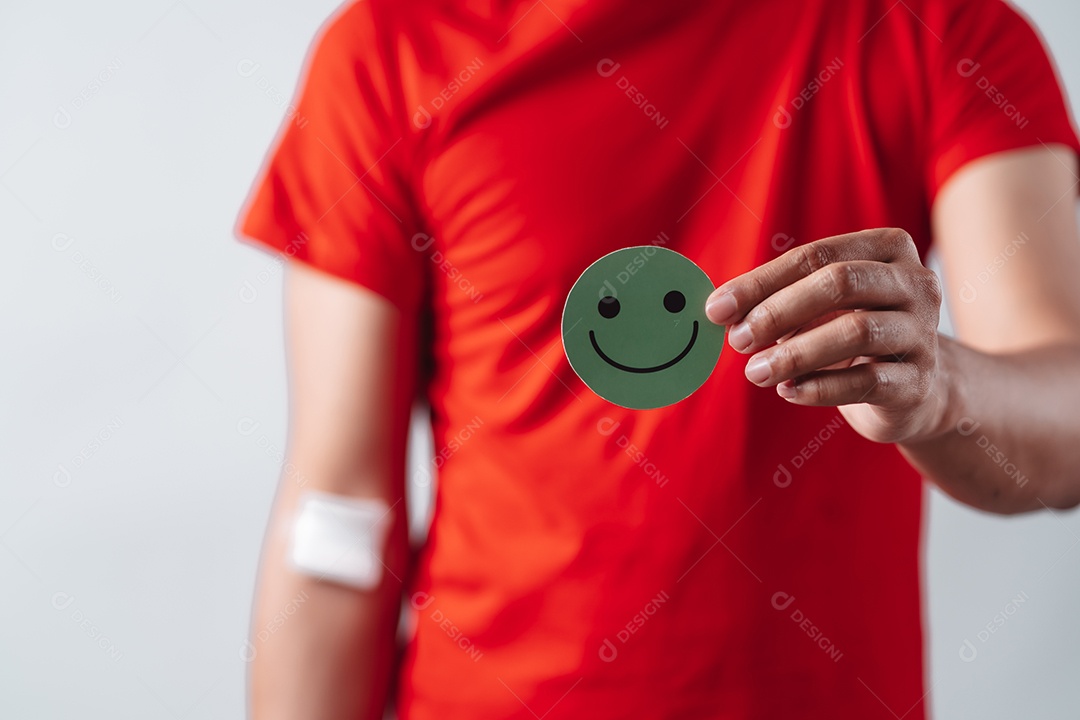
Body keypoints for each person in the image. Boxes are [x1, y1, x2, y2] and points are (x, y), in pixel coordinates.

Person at [234, 0, 1080, 717]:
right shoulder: (392, 50)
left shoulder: (940, 29)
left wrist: (940, 388)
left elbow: (1066, 420)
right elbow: (339, 516)